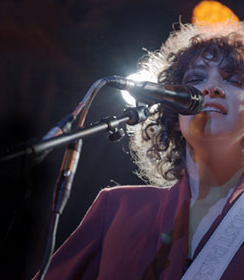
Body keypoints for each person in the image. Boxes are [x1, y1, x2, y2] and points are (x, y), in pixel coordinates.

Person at [33, 20, 244, 280]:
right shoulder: (118, 209)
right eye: (196, 78)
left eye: (235, 80)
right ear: (173, 114)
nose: (210, 88)